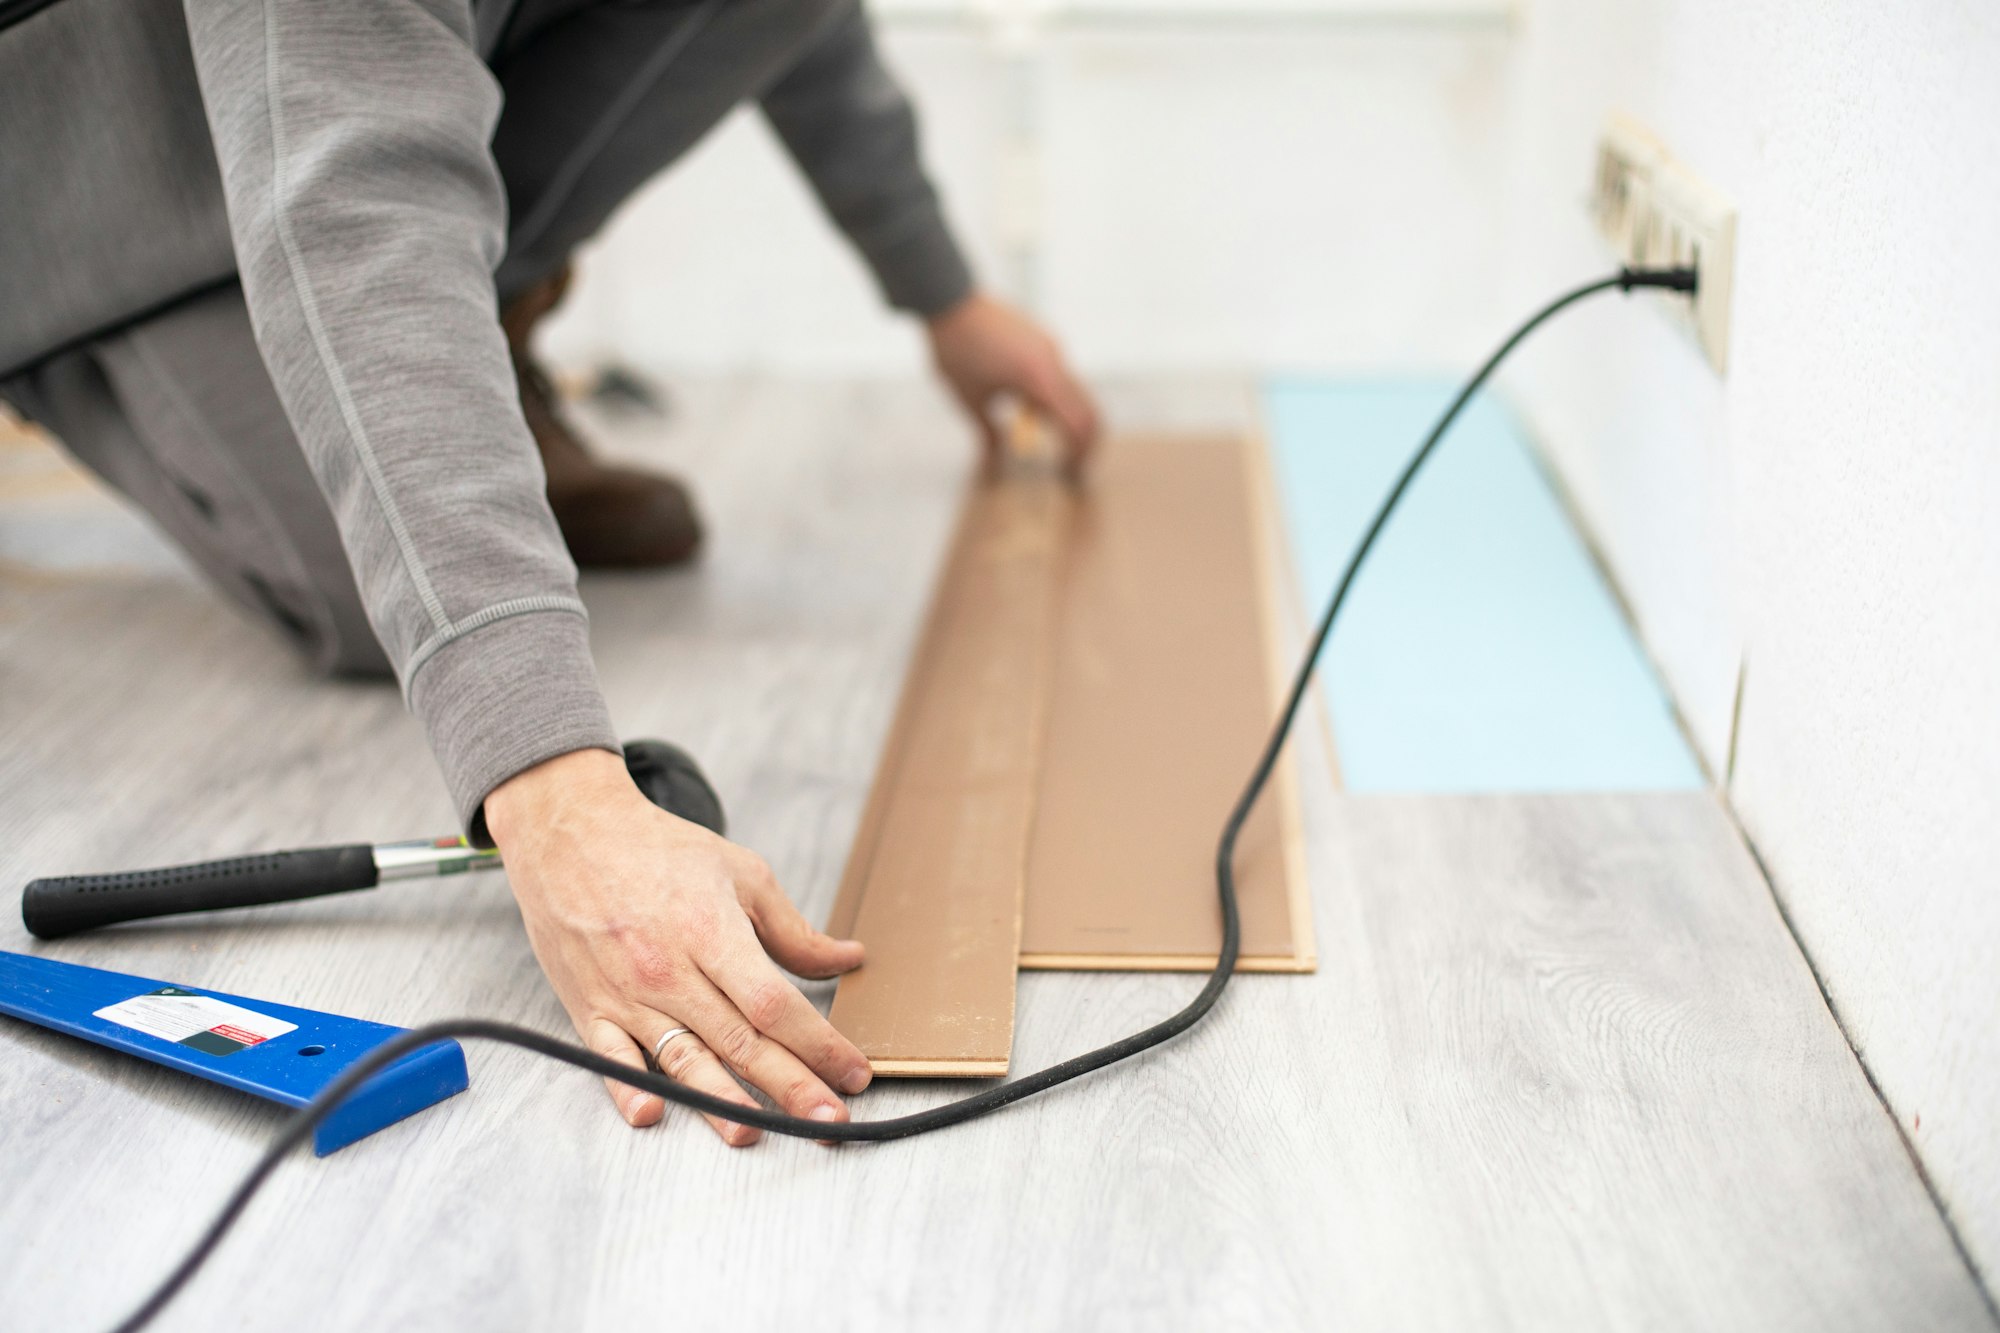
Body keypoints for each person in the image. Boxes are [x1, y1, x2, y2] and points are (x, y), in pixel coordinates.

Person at [0, 0, 1100, 1144]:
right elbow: (357, 189)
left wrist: (942, 291)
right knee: (379, 596)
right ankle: (104, 348)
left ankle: (449, 351)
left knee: (425, 510)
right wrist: (550, 785)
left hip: (338, 75)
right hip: (86, 176)